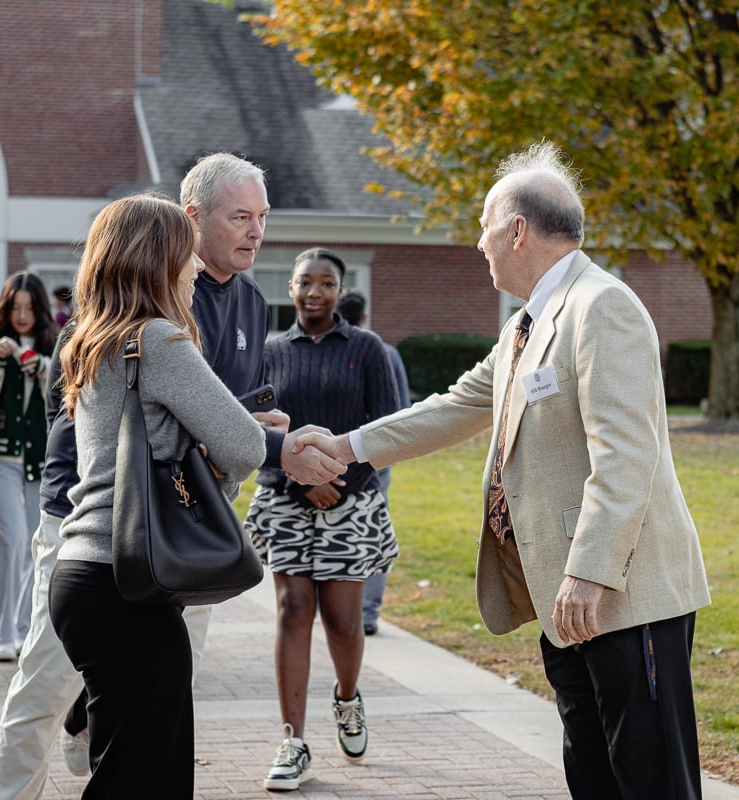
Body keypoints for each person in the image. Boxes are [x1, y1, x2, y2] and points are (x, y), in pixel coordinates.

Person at [299, 142, 712, 800]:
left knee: (651, 782)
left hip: (622, 594)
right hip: (565, 602)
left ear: (518, 230)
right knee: (594, 776)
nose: (479, 242)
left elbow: (626, 457)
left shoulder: (601, 307)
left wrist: (589, 571)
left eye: (485, 225)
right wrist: (346, 446)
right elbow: (458, 406)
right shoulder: (526, 324)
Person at [0, 153, 342, 799]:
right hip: (114, 551)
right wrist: (263, 442)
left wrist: (240, 433)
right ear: (171, 247)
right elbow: (235, 443)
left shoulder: (98, 335)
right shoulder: (159, 338)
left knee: (142, 744)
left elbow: (200, 426)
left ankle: (81, 729)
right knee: (130, 748)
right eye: (239, 217)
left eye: (261, 217)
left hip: (126, 556)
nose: (195, 268)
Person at [244, 249, 400, 791]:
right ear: (290, 286)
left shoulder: (367, 349)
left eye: (326, 283)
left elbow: (386, 430)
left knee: (341, 620)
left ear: (340, 289)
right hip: (286, 499)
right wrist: (301, 480)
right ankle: (292, 741)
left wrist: (334, 482)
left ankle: (348, 698)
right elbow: (253, 426)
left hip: (350, 501)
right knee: (292, 609)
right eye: (305, 282)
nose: (314, 292)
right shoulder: (267, 351)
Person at [0, 271, 58, 662]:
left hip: (39, 461)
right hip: (2, 458)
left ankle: (24, 630)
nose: (22, 315)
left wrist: (38, 365)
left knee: (33, 546)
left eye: (29, 308)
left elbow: (62, 397)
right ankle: (2, 633)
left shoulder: (53, 345)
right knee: (8, 542)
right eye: (15, 308)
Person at [335, 288, 410, 636]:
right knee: (374, 527)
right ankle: (366, 613)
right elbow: (402, 408)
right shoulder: (387, 352)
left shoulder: (330, 347)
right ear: (365, 316)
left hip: (336, 451)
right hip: (378, 453)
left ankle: (338, 607)